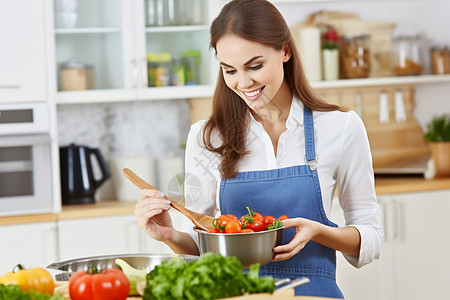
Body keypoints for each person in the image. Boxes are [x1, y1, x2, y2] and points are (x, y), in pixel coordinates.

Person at [135, 0, 384, 298]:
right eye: (230, 70)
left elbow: (371, 236)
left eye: (255, 66)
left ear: (285, 51)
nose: (243, 82)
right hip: (237, 294)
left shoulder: (340, 127)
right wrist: (169, 236)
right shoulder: (207, 137)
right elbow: (201, 241)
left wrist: (320, 232)